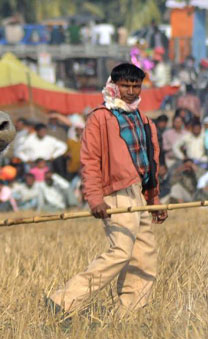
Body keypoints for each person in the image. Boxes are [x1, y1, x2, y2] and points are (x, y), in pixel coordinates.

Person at [47, 63, 166, 318]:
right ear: (114, 85)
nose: (131, 91)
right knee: (121, 252)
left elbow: (151, 163)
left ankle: (129, 314)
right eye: (126, 86)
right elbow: (90, 161)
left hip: (140, 195)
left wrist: (154, 200)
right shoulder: (99, 117)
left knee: (144, 257)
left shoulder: (145, 121)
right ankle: (64, 301)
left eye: (136, 86)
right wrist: (94, 198)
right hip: (115, 193)